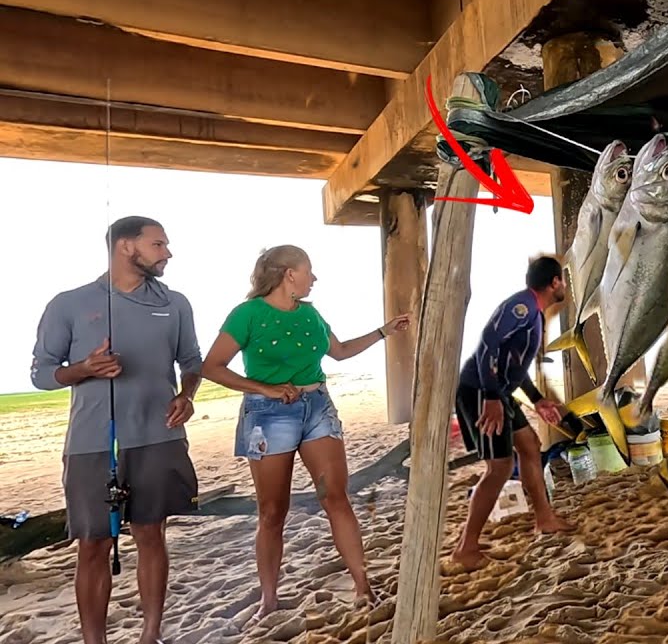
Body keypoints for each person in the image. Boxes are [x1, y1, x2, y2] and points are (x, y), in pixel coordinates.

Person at [199, 245, 410, 625]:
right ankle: (268, 598)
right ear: (288, 274)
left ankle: (362, 585)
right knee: (272, 512)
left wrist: (384, 331)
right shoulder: (247, 315)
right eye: (309, 270)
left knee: (336, 496)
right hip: (268, 415)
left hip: (317, 408)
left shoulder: (311, 314)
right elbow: (211, 367)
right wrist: (263, 388)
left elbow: (341, 352)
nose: (314, 277)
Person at [29, 216, 204, 644]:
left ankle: (150, 635)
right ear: (127, 247)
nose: (168, 253)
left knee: (151, 535)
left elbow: (192, 362)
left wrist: (187, 395)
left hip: (159, 437)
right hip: (92, 445)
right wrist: (85, 369)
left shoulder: (176, 302)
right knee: (92, 544)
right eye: (158, 244)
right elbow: (42, 373)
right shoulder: (68, 304)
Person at [451, 255, 576, 570]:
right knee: (500, 467)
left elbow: (513, 364)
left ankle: (544, 519)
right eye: (562, 280)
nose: (564, 286)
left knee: (530, 446)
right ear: (554, 283)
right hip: (481, 391)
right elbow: (487, 347)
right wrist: (491, 397)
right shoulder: (521, 308)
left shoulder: (533, 313)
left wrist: (536, 400)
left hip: (499, 392)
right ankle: (466, 549)